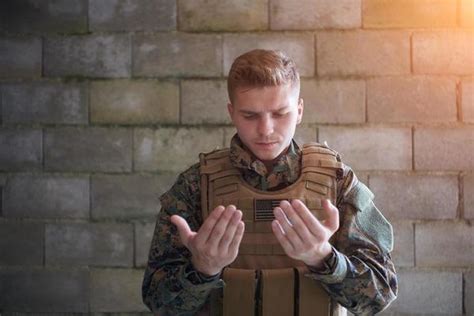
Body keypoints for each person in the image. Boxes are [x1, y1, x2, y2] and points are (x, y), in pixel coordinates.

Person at [142, 49, 398, 316]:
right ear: (232, 112)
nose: (265, 130)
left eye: (280, 114)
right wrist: (202, 269)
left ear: (299, 111)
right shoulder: (195, 186)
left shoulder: (338, 181)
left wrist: (324, 258)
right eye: (250, 116)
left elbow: (381, 295)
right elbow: (159, 304)